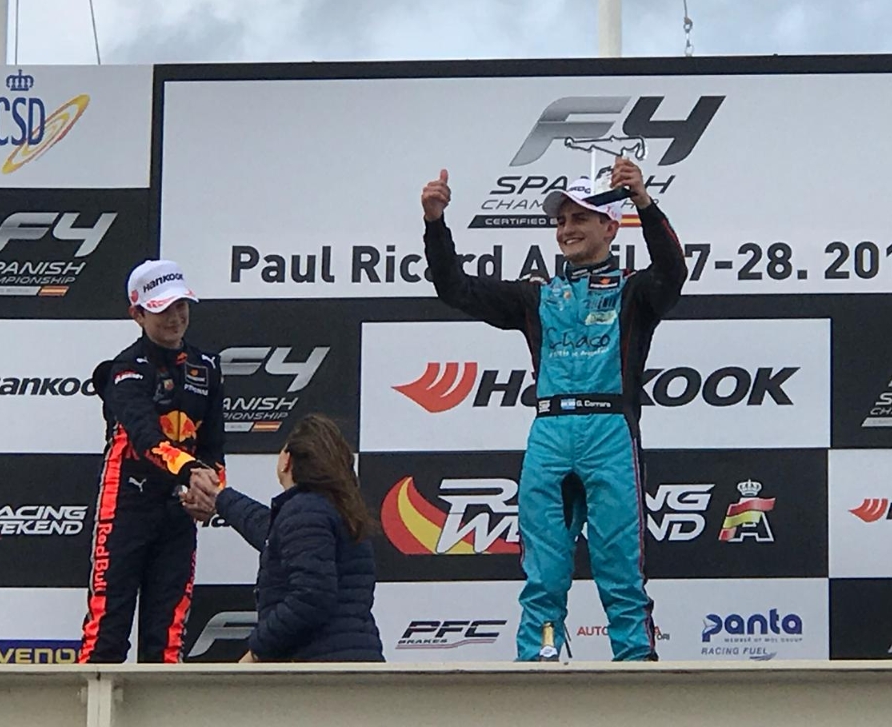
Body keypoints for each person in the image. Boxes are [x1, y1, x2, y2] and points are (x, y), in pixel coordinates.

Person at [420, 159, 686, 661]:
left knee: (621, 570)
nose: (566, 229)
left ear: (610, 226)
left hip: (609, 432)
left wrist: (644, 204)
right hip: (549, 433)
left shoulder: (634, 291)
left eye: (579, 218)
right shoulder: (537, 295)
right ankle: (537, 664)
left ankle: (636, 669)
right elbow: (456, 288)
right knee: (543, 573)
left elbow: (673, 272)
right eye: (560, 221)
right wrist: (436, 223)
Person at [78, 259, 227, 663]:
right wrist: (192, 472)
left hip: (178, 509)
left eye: (181, 305)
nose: (175, 317)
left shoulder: (207, 368)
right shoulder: (124, 371)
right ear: (138, 314)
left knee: (167, 639)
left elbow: (213, 447)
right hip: (126, 504)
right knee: (107, 631)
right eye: (162, 309)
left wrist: (212, 493)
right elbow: (146, 439)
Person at [184, 415, 384, 662]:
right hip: (356, 662)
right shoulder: (337, 510)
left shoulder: (304, 510)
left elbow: (311, 597)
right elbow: (267, 530)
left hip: (322, 670)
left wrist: (257, 651)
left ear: (287, 460)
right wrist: (220, 498)